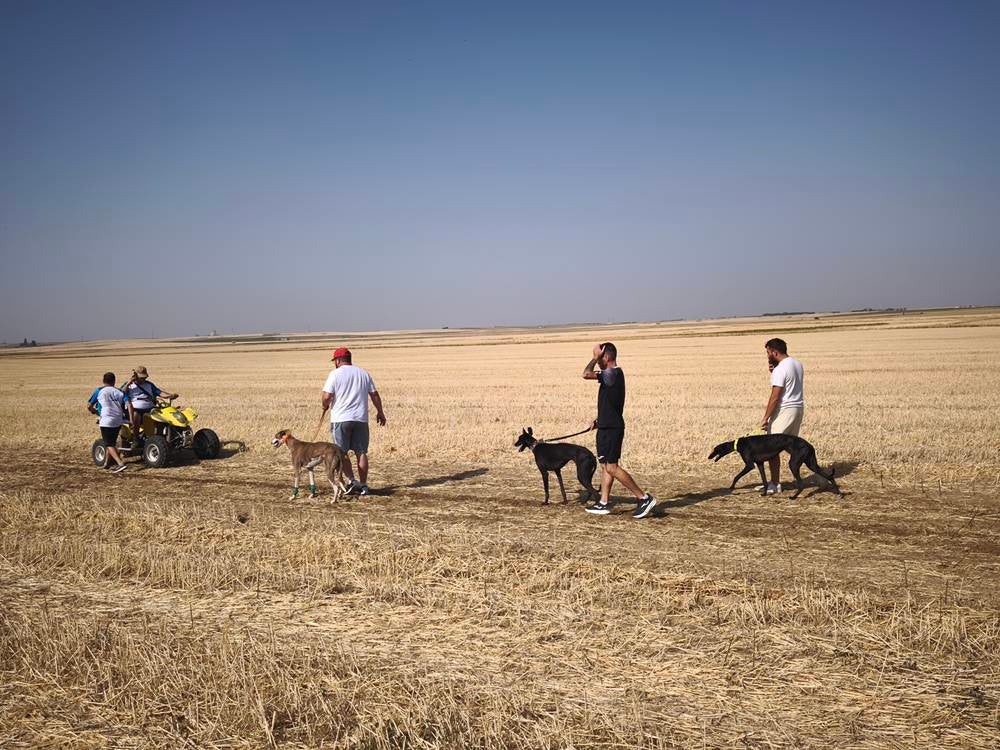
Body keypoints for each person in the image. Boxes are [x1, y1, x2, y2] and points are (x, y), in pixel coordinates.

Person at [581, 342, 657, 518]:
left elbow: (585, 374)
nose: (599, 362)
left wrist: (594, 358)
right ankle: (604, 502)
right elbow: (610, 402)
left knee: (612, 467)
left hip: (612, 429)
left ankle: (644, 498)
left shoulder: (612, 374)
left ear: (606, 357)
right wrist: (600, 420)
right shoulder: (611, 375)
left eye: (600, 358)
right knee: (605, 466)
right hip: (606, 425)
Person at [321, 347, 386, 496]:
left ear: (337, 361)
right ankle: (363, 485)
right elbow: (374, 395)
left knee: (341, 453)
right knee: (361, 453)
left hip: (340, 419)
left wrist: (324, 406)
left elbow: (326, 396)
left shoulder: (335, 374)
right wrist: (380, 412)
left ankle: (351, 481)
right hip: (360, 419)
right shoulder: (363, 373)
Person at [760, 337, 805, 494]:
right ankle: (817, 476)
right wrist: (774, 372)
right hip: (798, 408)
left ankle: (774, 484)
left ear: (774, 351)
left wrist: (766, 417)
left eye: (768, 352)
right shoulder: (797, 364)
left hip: (784, 411)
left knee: (772, 448)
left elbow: (775, 396)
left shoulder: (780, 370)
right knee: (791, 446)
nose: (767, 356)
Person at [87, 371, 134, 473]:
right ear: (114, 381)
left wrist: (94, 411)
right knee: (111, 442)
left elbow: (89, 406)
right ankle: (107, 464)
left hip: (106, 420)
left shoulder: (99, 391)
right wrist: (130, 420)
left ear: (103, 381)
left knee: (108, 444)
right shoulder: (119, 392)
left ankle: (120, 463)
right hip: (118, 420)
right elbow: (129, 404)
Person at [123, 366, 178, 445]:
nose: (143, 379)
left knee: (162, 417)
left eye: (144, 378)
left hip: (150, 408)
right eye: (141, 377)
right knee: (136, 416)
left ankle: (161, 437)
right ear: (135, 375)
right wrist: (129, 383)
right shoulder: (129, 385)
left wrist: (171, 395)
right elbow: (121, 393)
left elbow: (160, 393)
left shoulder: (149, 385)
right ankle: (136, 439)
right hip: (135, 410)